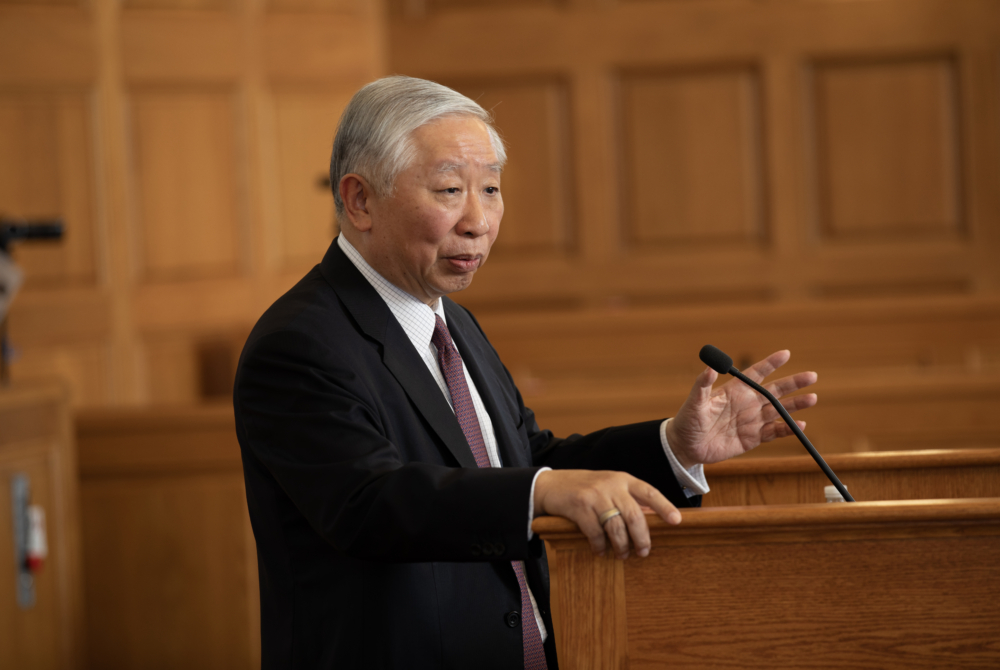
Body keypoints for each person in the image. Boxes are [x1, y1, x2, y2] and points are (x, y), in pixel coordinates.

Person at [233, 75, 818, 670]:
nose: (478, 220)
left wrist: (672, 445)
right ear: (359, 201)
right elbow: (370, 503)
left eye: (490, 189)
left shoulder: (454, 322)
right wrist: (538, 491)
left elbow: (525, 458)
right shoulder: (300, 343)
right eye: (449, 190)